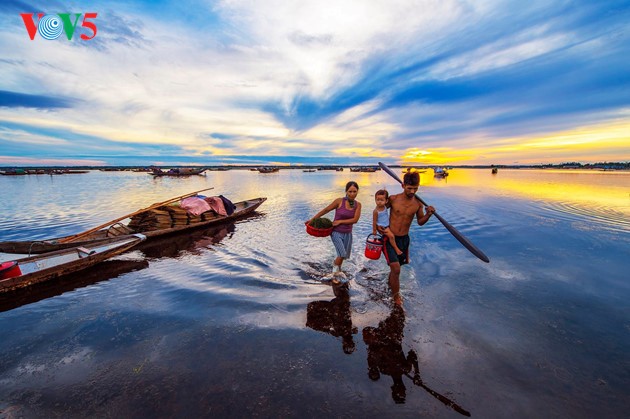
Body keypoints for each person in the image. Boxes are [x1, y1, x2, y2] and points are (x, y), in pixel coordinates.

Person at [385, 172, 435, 305]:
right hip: (390, 238)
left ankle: (390, 285)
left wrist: (428, 214)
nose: (412, 191)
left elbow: (420, 221)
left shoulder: (418, 204)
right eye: (409, 188)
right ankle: (396, 298)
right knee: (396, 269)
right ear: (403, 185)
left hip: (404, 240)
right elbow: (379, 212)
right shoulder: (393, 199)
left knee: (395, 269)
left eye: (415, 189)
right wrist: (380, 229)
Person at [307, 181, 361, 283]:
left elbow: (355, 220)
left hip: (348, 233)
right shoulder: (339, 201)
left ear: (357, 191)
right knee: (341, 254)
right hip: (336, 232)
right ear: (346, 191)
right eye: (350, 191)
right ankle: (335, 276)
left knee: (343, 256)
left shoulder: (358, 205)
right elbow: (325, 210)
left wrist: (340, 221)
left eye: (354, 191)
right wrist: (312, 220)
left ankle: (338, 270)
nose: (352, 194)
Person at [372, 189, 403, 256]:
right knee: (391, 236)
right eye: (377, 200)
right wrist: (374, 230)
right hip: (383, 227)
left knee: (389, 237)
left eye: (382, 200)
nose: (379, 202)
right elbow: (374, 221)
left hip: (387, 226)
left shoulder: (385, 207)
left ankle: (384, 242)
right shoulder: (376, 211)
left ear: (386, 201)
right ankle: (396, 249)